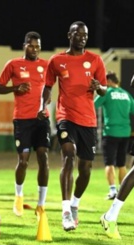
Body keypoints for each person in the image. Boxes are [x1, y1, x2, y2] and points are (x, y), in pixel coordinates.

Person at [38, 21, 107, 231]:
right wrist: (43, 104)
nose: (83, 37)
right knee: (68, 155)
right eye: (78, 34)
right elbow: (48, 86)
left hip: (88, 120)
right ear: (70, 35)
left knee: (85, 169)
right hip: (65, 116)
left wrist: (99, 87)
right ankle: (66, 210)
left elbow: (104, 89)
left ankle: (75, 203)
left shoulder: (95, 61)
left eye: (85, 35)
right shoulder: (57, 60)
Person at [0, 31, 50, 218]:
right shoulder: (13, 65)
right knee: (24, 160)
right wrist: (15, 88)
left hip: (41, 118)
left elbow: (48, 89)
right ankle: (19, 196)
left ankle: (41, 205)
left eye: (37, 46)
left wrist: (46, 101)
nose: (34, 49)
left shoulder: (46, 65)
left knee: (44, 157)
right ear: (24, 45)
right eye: (31, 45)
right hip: (22, 119)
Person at [94, 72, 134, 200]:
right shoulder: (127, 95)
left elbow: (92, 105)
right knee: (122, 163)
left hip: (111, 132)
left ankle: (112, 191)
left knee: (109, 162)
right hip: (125, 133)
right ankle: (122, 192)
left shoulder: (107, 92)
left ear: (109, 81)